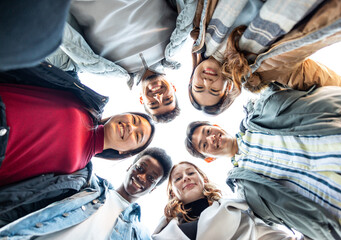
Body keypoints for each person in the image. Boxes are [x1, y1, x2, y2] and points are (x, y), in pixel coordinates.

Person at [185, 84, 341, 239]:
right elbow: (281, 220)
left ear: (217, 127)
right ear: (208, 158)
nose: (211, 138)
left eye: (208, 131)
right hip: (340, 207)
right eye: (204, 144)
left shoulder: (258, 114)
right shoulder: (243, 191)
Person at [188, 0, 341, 115]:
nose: (207, 83)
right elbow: (316, 78)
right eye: (214, 90)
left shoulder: (200, 30)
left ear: (191, 78)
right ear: (228, 88)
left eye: (198, 87)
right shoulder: (261, 73)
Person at [0, 63, 156, 187]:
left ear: (124, 152)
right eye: (134, 120)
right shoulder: (86, 101)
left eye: (138, 135)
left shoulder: (78, 175)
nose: (131, 127)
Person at [44, 0, 200, 122]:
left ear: (142, 99)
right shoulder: (177, 43)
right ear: (173, 87)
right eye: (167, 99)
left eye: (153, 104)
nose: (158, 97)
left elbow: (68, 48)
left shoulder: (104, 70)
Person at [0, 147, 173, 239]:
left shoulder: (140, 233)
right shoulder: (89, 184)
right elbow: (33, 199)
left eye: (151, 178)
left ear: (153, 189)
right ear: (129, 167)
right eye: (140, 168)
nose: (142, 177)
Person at [152, 161, 293, 240]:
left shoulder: (238, 211)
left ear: (204, 179)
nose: (185, 178)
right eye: (178, 178)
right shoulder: (162, 232)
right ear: (172, 192)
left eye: (190, 173)